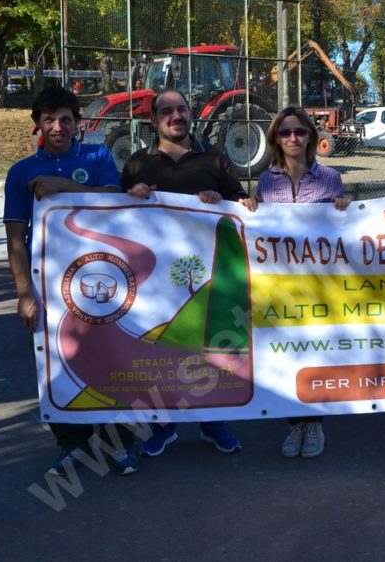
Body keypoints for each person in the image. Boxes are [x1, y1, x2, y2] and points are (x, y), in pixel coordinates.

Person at [2, 86, 139, 476]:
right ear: (37, 126)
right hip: (49, 287)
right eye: (49, 120)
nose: (58, 127)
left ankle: (120, 442)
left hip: (104, 278)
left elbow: (114, 203)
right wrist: (23, 293)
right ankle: (70, 443)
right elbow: (16, 239)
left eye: (65, 119)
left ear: (78, 122)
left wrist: (63, 186)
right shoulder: (21, 173)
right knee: (57, 360)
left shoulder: (97, 156)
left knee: (113, 358)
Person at [123, 89, 252, 459]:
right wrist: (132, 193)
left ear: (190, 114)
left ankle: (213, 424)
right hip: (156, 282)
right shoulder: (136, 164)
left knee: (207, 352)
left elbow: (244, 209)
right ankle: (163, 428)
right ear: (154, 120)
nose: (175, 116)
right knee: (163, 349)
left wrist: (222, 200)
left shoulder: (214, 160)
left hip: (207, 277)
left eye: (181, 109)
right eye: (167, 111)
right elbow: (114, 213)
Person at [240, 107, 350, 459]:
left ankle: (315, 423)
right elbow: (261, 226)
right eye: (285, 133)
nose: (292, 139)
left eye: (299, 132)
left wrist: (344, 208)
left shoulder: (330, 177)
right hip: (279, 285)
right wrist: (250, 208)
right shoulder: (266, 181)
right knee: (286, 353)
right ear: (275, 139)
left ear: (310, 138)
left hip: (319, 284)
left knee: (316, 351)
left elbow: (341, 227)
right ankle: (294, 424)